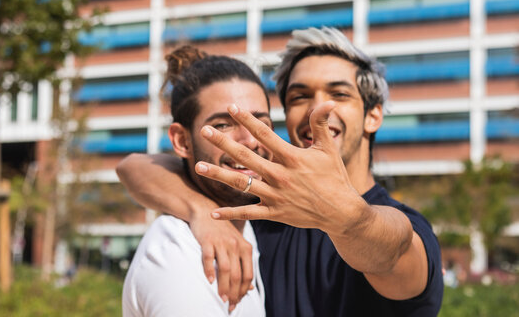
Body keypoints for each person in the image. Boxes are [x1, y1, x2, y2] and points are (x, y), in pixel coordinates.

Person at [117, 27, 444, 316]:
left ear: (373, 116)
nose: (318, 109)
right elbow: (134, 167)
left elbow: (394, 249)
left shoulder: (405, 225)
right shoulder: (261, 212)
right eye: (300, 96)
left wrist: (344, 217)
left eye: (339, 94)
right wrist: (200, 209)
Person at [121, 46, 271, 316]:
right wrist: (201, 211)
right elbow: (129, 166)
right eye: (223, 125)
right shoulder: (177, 255)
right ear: (182, 141)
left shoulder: (250, 225)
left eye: (260, 124)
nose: (249, 141)